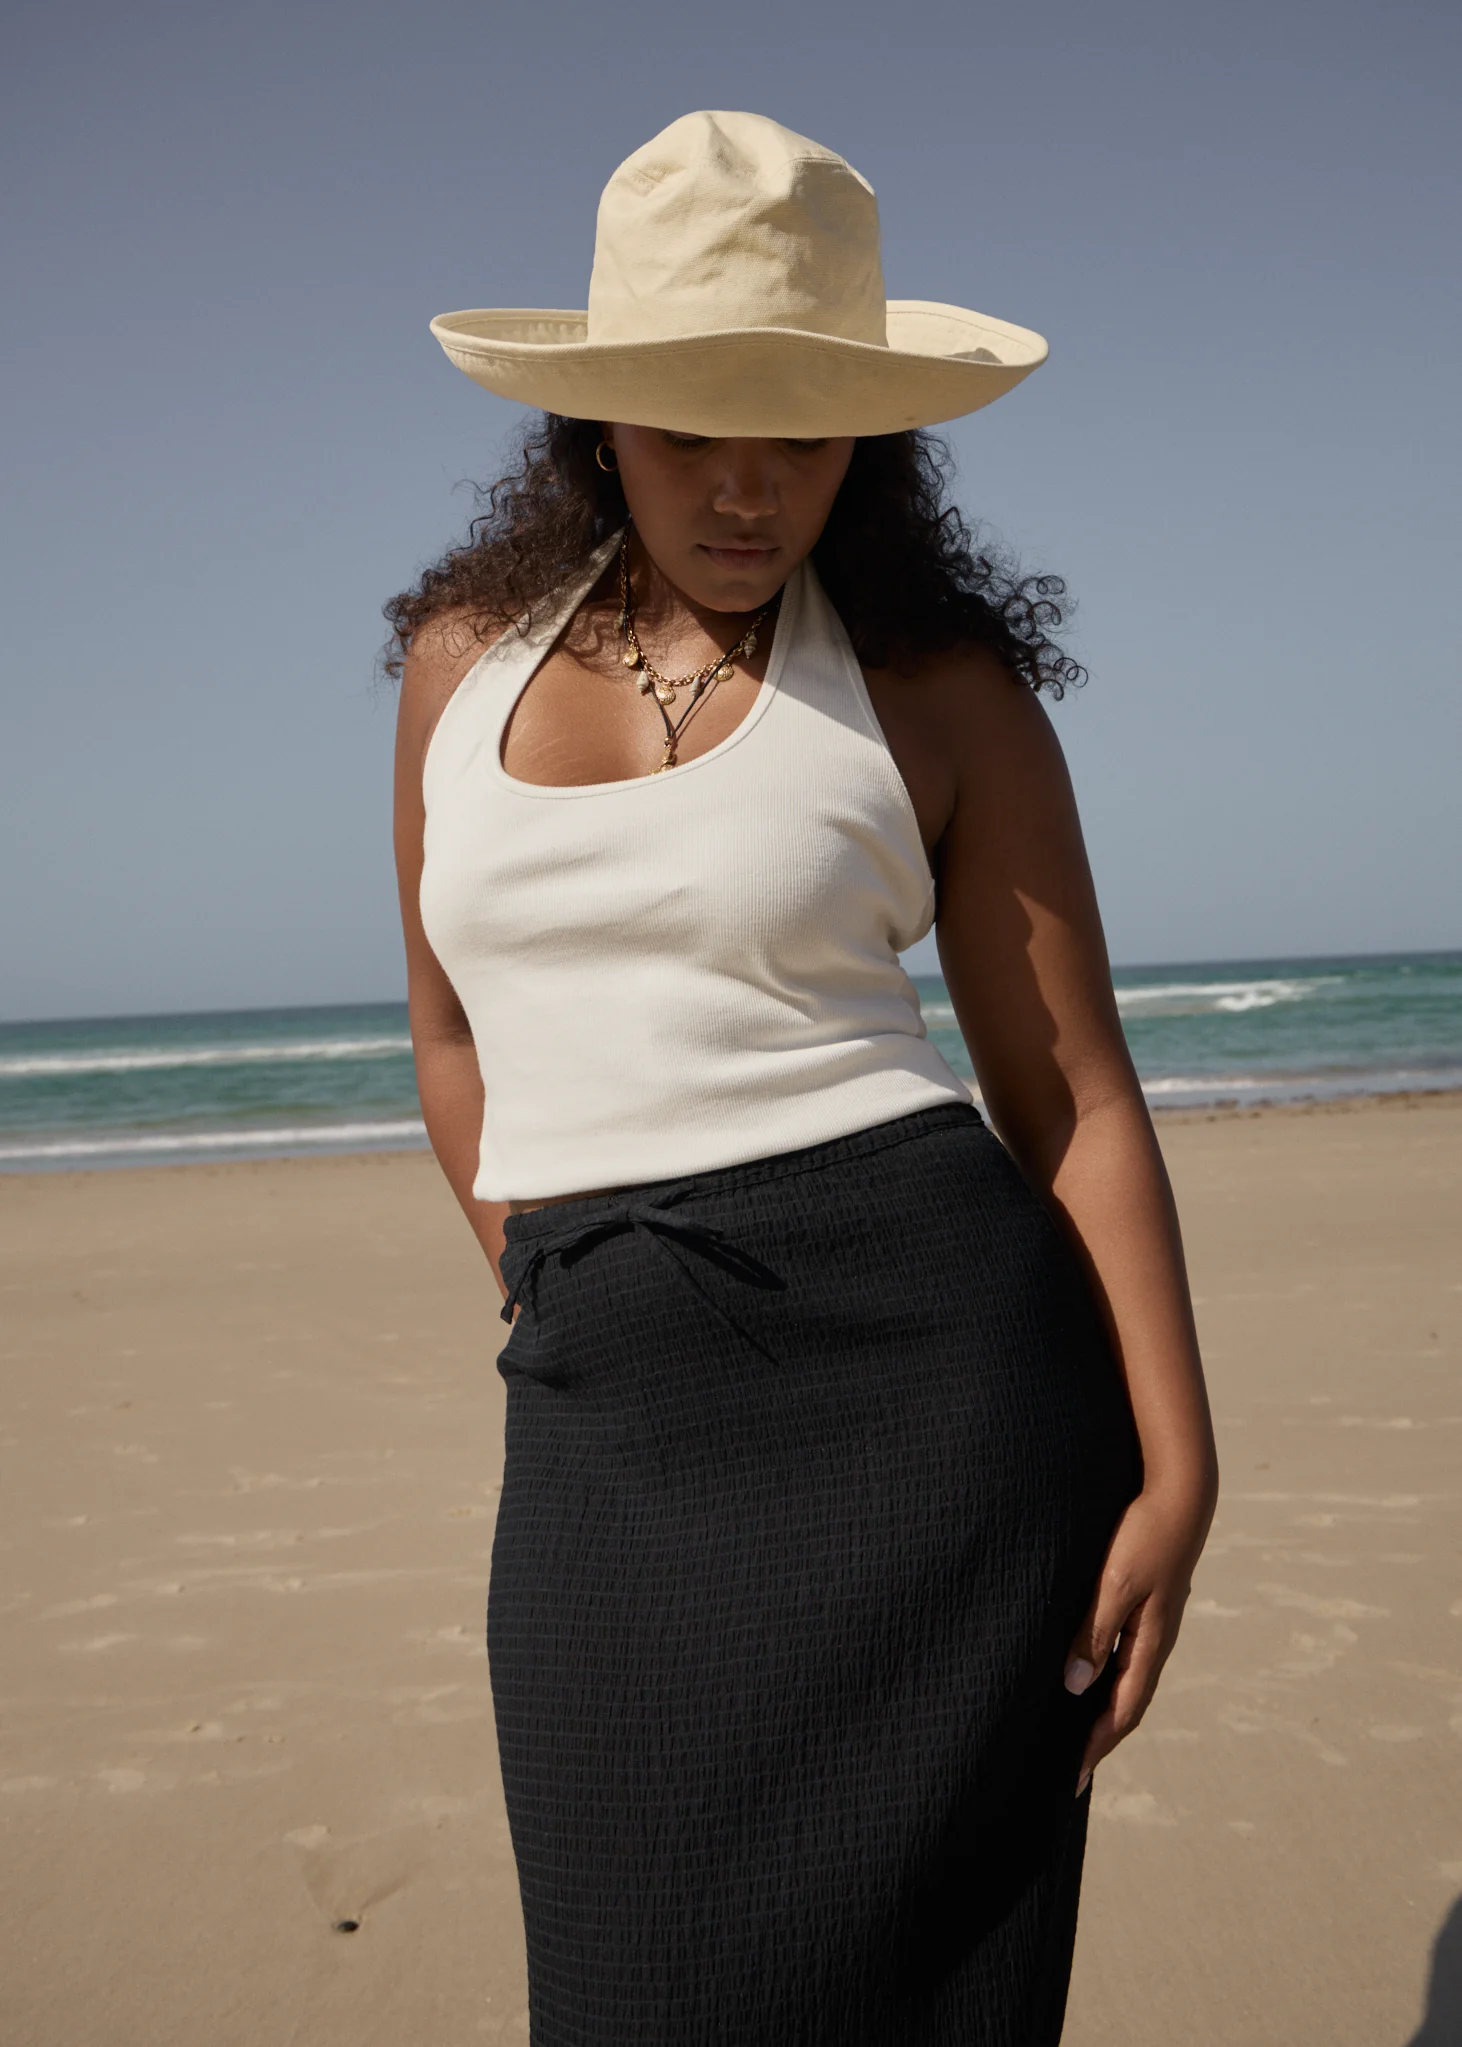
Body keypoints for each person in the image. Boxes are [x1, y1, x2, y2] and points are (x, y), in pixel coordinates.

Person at [388, 109, 1217, 2047]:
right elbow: (447, 1040)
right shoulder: (455, 664)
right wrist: (555, 1280)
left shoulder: (936, 692)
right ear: (595, 419)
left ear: (873, 442)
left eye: (805, 434)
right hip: (606, 1429)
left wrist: (1178, 1462)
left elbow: (1073, 1099)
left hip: (938, 1417)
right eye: (692, 426)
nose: (748, 487)